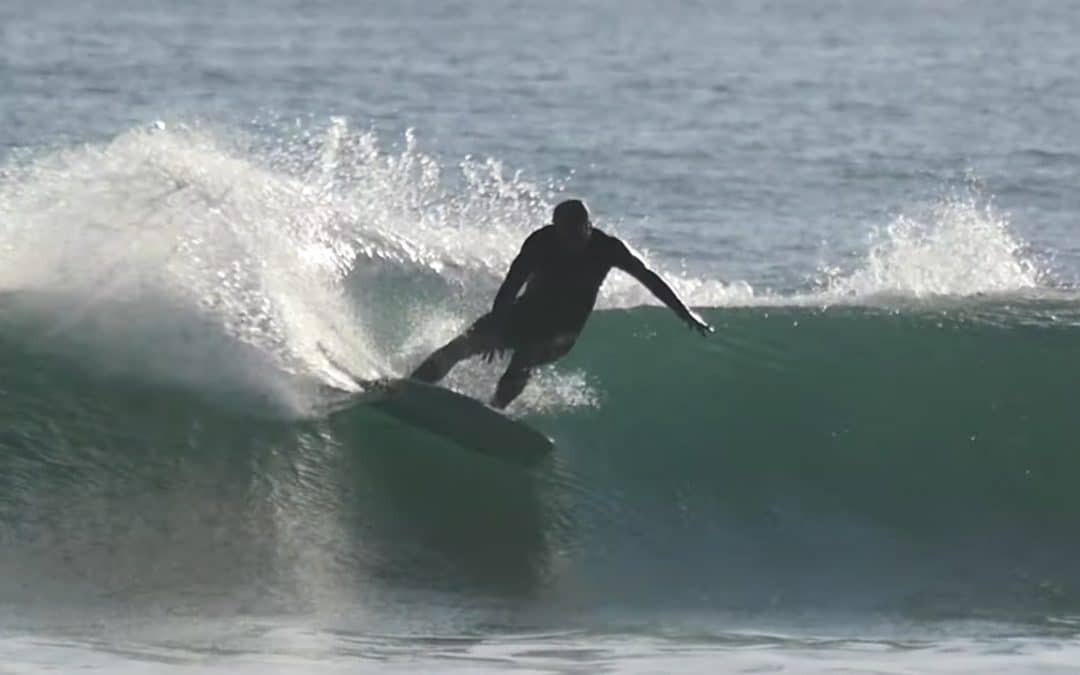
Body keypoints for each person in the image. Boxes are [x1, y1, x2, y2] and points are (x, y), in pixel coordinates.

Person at [412, 199, 713, 408]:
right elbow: (511, 286)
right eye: (565, 233)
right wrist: (497, 326)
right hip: (526, 313)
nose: (572, 240)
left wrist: (684, 313)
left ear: (588, 226)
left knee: (525, 358)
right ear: (556, 227)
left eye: (578, 232)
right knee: (462, 345)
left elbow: (648, 278)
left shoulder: (606, 248)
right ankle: (410, 388)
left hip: (563, 329)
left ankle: (495, 410)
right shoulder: (541, 241)